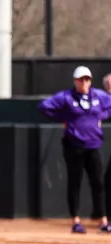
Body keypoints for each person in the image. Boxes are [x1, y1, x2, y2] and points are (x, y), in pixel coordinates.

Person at [38, 66, 111, 234]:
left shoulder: (98, 97)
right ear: (75, 81)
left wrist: (102, 115)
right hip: (74, 146)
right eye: (81, 79)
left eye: (87, 79)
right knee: (75, 183)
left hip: (94, 145)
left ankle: (103, 220)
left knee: (98, 183)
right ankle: (76, 221)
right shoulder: (66, 97)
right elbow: (44, 106)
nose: (84, 82)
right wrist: (62, 117)